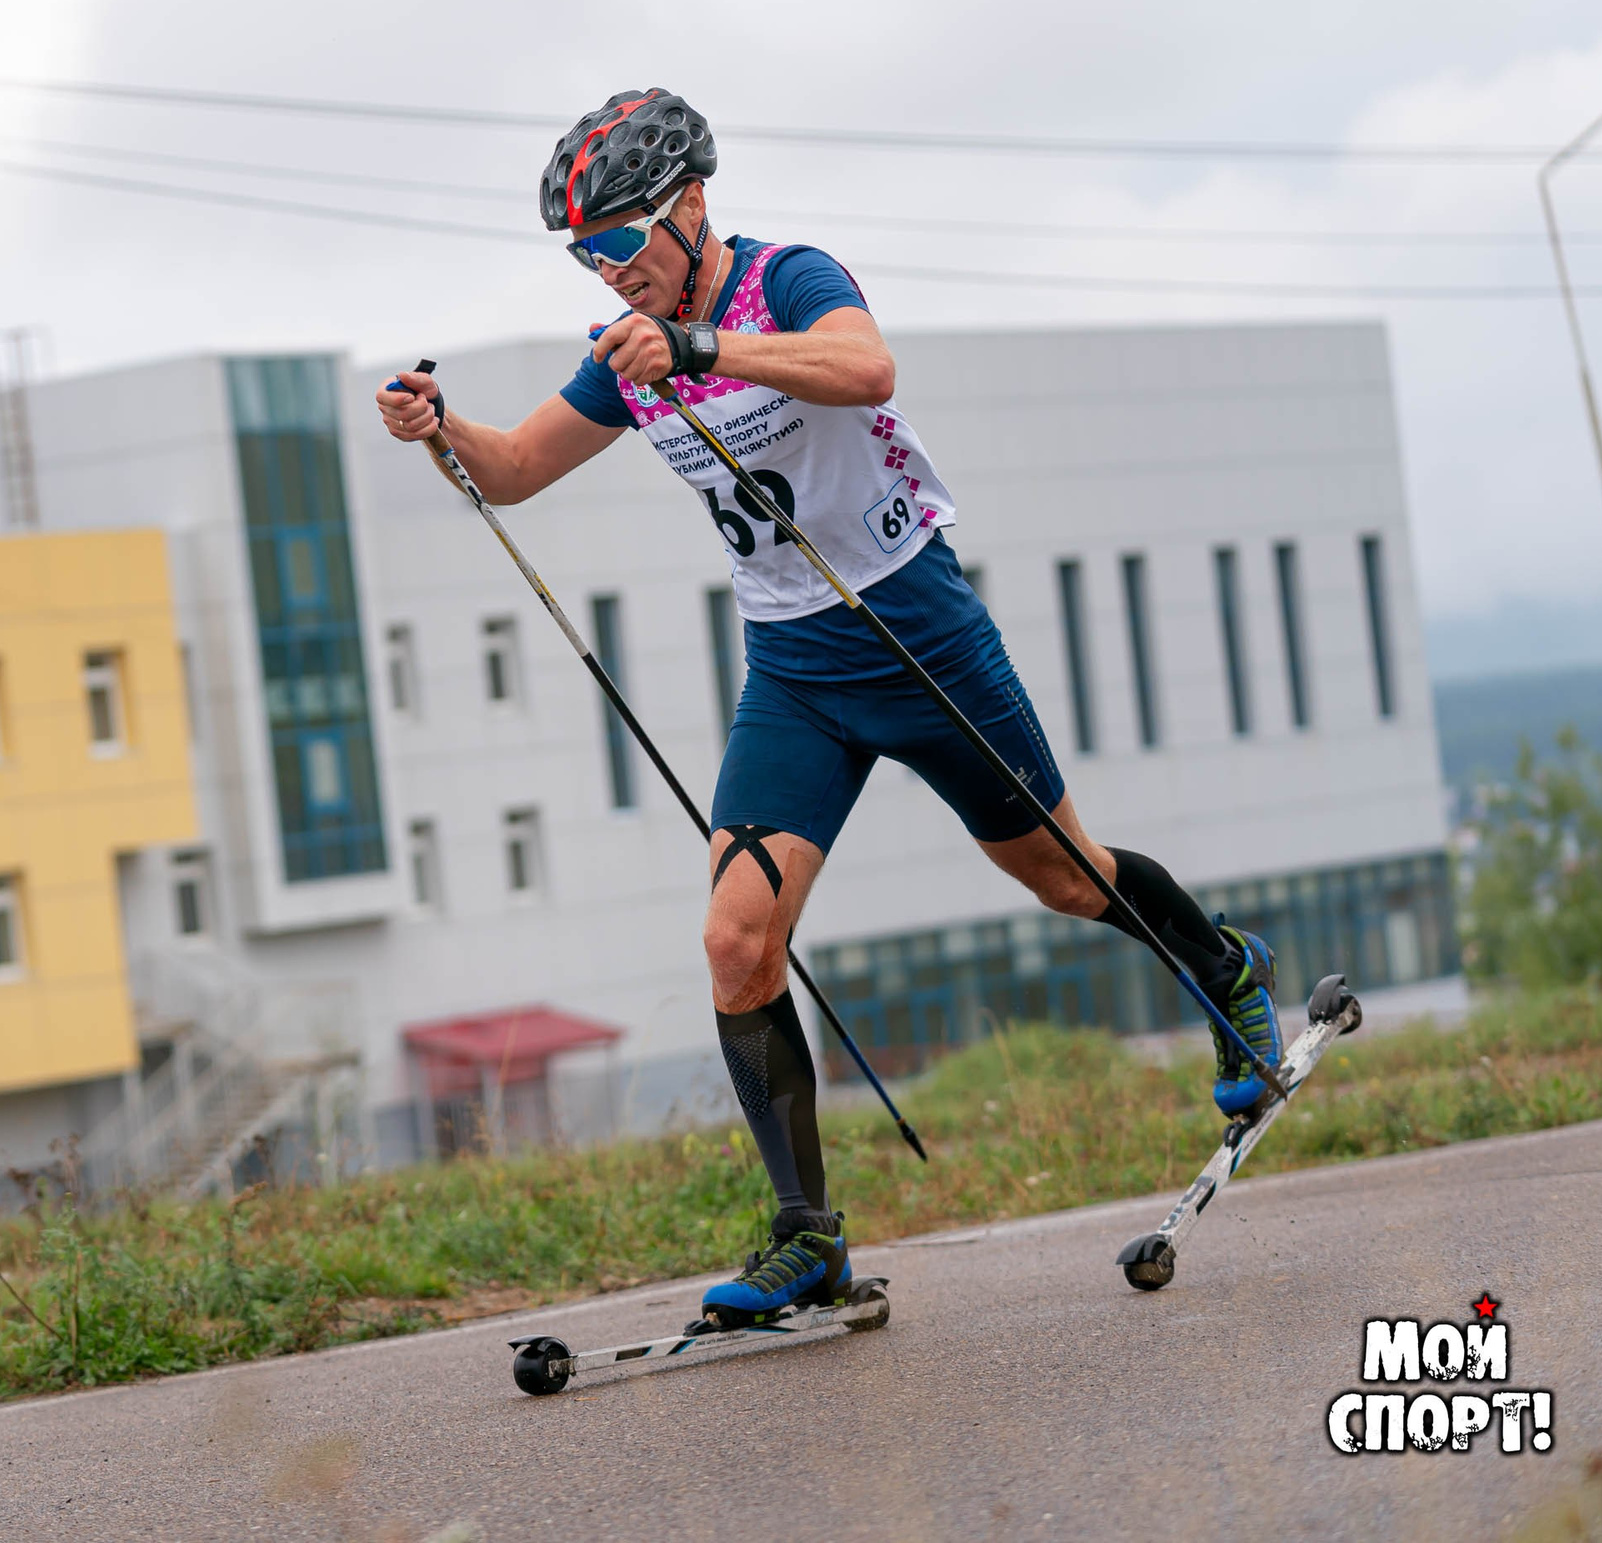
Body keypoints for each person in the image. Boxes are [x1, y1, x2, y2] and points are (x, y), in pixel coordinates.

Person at [373, 87, 1282, 1329]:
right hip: (793, 669)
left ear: (691, 206)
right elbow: (519, 469)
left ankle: (1225, 970)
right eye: (583, 255)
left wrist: (698, 350)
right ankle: (807, 1237)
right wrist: (439, 428)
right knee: (736, 939)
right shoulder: (621, 356)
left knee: (1068, 879)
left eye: (619, 242)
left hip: (913, 632)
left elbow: (865, 368)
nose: (607, 273)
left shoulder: (784, 279)